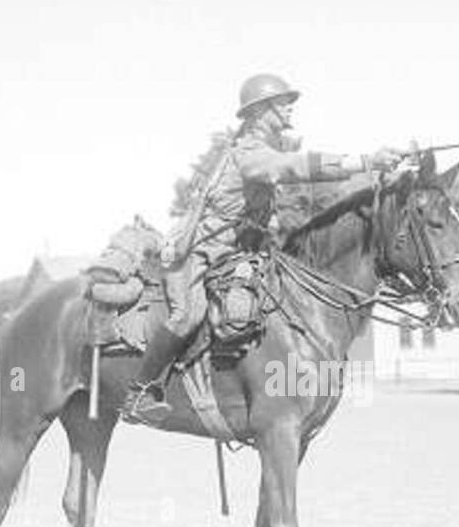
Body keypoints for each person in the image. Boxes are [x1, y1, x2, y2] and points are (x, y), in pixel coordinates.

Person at [120, 73, 406, 425]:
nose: (290, 109)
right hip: (200, 252)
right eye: (283, 102)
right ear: (261, 111)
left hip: (240, 254)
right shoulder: (250, 154)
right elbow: (291, 167)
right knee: (187, 314)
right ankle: (140, 392)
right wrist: (363, 162)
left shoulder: (264, 150)